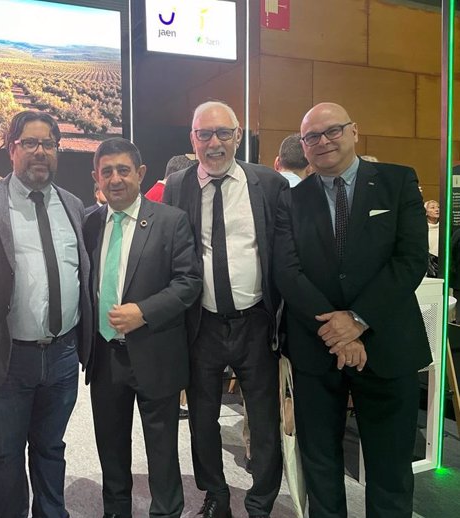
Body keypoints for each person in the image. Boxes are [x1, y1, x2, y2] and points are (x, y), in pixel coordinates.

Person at [273, 102, 431, 518]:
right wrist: (336, 329)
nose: (323, 142)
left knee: (391, 464)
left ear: (354, 131)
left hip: (386, 343)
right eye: (311, 137)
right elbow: (286, 271)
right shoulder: (290, 200)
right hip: (315, 347)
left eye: (332, 131)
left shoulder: (397, 182)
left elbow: (411, 259)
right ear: (303, 147)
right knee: (321, 461)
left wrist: (357, 320)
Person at [0, 110, 92, 518]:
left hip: (63, 355)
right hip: (9, 355)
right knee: (5, 454)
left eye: (48, 144)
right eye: (29, 143)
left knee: (51, 448)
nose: (39, 152)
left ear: (57, 151)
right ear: (11, 148)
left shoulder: (72, 204)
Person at [163, 100, 286, 518]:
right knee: (201, 417)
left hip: (256, 321)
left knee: (265, 421)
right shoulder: (176, 186)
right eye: (204, 134)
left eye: (223, 133)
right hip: (202, 324)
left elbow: (284, 253)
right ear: (192, 139)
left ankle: (262, 502)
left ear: (238, 136)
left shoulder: (268, 184)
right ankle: (215, 495)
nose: (214, 143)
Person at [84, 138, 202, 518]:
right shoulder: (88, 223)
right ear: (96, 178)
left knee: (162, 448)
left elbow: (188, 283)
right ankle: (116, 512)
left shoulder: (170, 221)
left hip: (155, 351)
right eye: (107, 172)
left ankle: (166, 512)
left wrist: (144, 312)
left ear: (140, 173)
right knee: (111, 447)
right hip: (105, 356)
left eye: (123, 170)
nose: (115, 179)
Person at [425, 200, 440, 277]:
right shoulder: (422, 228)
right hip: (428, 266)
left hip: (442, 264)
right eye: (432, 207)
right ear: (426, 212)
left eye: (438, 207)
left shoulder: (445, 228)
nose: (437, 209)